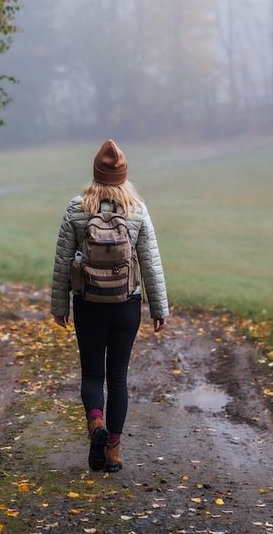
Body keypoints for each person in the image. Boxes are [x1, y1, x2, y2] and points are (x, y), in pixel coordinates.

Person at [50, 139, 169, 473]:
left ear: (95, 172)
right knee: (118, 378)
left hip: (88, 303)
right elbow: (150, 263)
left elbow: (62, 262)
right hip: (125, 305)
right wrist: (159, 309)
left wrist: (60, 305)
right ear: (123, 174)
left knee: (91, 374)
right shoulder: (137, 209)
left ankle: (96, 423)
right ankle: (113, 451)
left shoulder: (77, 208)